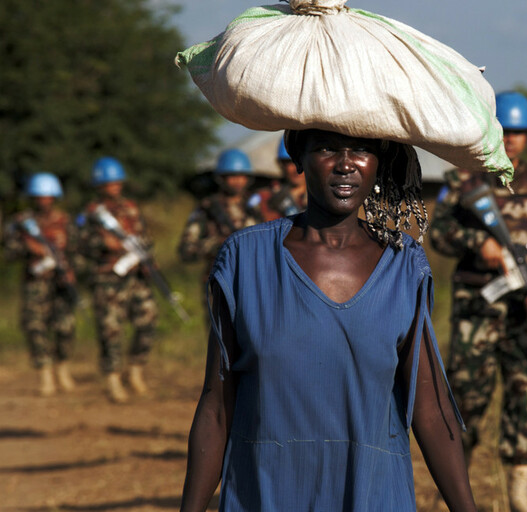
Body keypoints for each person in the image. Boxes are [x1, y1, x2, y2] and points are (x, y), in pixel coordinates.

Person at [180, 129, 476, 512]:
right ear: (298, 157)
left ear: (379, 163)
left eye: (363, 151)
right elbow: (217, 406)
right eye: (325, 148)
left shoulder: (404, 266)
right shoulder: (246, 258)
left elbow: (431, 409)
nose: (345, 164)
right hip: (267, 494)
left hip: (372, 496)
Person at [430, 90, 527, 512]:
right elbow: (438, 234)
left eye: (521, 132)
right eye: (507, 130)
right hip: (477, 308)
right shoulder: (462, 180)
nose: (514, 140)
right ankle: (454, 493)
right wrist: (477, 242)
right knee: (467, 398)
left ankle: (519, 495)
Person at [78, 157, 159, 403]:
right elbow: (79, 244)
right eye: (108, 183)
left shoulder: (131, 208)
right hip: (107, 279)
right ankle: (112, 378)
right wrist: (103, 243)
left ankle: (135, 370)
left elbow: (144, 237)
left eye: (116, 182)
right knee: (110, 330)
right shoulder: (91, 214)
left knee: (148, 317)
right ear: (99, 186)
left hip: (135, 276)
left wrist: (147, 259)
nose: (114, 186)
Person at [3, 172, 78, 396]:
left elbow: (77, 250)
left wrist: (72, 271)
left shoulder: (65, 221)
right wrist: (28, 247)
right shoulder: (22, 223)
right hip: (35, 284)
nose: (44, 201)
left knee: (65, 328)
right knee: (35, 328)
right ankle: (45, 375)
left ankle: (62, 367)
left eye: (48, 197)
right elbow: (9, 253)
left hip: (60, 284)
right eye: (39, 197)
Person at [178, 148, 263, 293]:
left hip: (255, 281)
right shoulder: (207, 209)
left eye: (242, 176)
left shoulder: (255, 205)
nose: (238, 181)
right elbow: (186, 250)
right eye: (232, 176)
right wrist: (217, 244)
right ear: (221, 178)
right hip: (221, 284)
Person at [252, 138, 308, 222]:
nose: (296, 169)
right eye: (290, 163)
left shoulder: (321, 192)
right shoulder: (270, 198)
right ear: (282, 165)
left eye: (299, 161)